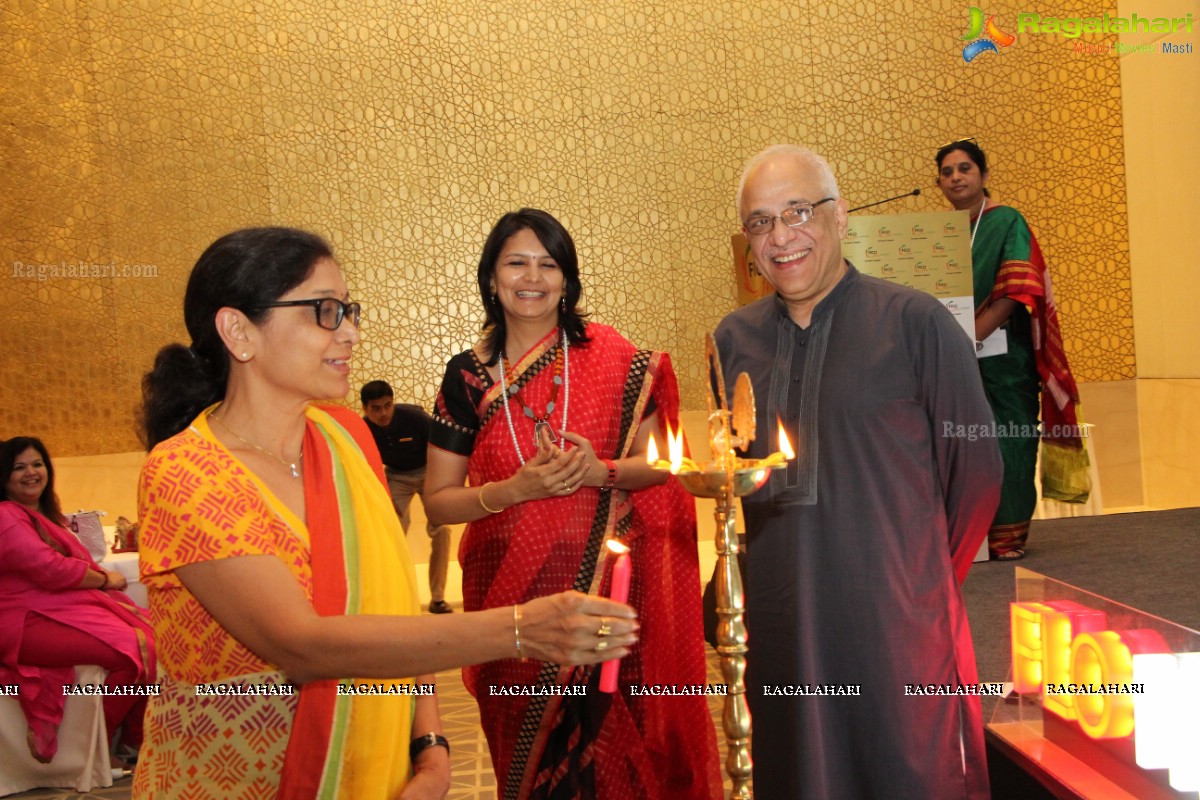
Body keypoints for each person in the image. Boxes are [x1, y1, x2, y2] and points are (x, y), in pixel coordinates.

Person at [135, 226, 637, 800]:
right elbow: (303, 645)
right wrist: (522, 628)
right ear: (238, 331)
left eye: (348, 309)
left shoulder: (345, 437)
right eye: (324, 311)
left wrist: (429, 752)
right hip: (238, 777)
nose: (350, 332)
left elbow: (390, 604)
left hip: (377, 777)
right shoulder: (187, 471)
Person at [713, 145, 1003, 799]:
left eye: (798, 212)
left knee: (908, 771)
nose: (781, 237)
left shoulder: (916, 323)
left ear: (840, 216)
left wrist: (913, 579)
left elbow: (978, 476)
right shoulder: (733, 342)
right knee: (798, 772)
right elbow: (736, 486)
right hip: (782, 625)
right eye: (760, 222)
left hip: (898, 630)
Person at [423, 208, 722, 799]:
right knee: (531, 763)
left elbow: (663, 465)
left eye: (548, 264)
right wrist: (516, 491)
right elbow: (437, 504)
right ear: (491, 277)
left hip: (609, 594)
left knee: (618, 759)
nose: (532, 276)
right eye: (516, 262)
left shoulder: (619, 360)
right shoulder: (467, 379)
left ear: (567, 280)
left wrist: (600, 470)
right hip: (509, 606)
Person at [936, 139, 1085, 560]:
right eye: (947, 172)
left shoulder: (1006, 222)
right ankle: (968, 538)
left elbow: (1018, 289)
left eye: (965, 168)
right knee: (958, 443)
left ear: (984, 175)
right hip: (952, 360)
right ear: (938, 184)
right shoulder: (937, 235)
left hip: (1003, 360)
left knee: (1010, 441)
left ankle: (1006, 536)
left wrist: (969, 339)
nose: (956, 177)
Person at [0, 436, 156, 766]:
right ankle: (99, 748)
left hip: (55, 609)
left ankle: (134, 737)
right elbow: (49, 569)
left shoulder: (39, 514)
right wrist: (103, 579)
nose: (31, 473)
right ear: (4, 476)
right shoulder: (4, 516)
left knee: (155, 636)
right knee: (133, 651)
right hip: (23, 621)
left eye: (37, 464)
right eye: (19, 467)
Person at [361, 380, 453, 613]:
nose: (383, 413)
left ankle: (438, 598)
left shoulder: (415, 418)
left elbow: (442, 446)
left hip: (428, 470)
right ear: (365, 409)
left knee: (441, 530)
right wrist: (386, 500)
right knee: (391, 532)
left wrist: (441, 482)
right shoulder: (363, 429)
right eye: (376, 408)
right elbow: (367, 467)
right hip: (395, 476)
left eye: (387, 405)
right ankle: (397, 597)